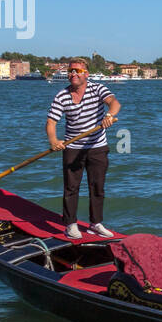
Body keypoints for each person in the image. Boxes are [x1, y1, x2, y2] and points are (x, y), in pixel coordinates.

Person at [46, 59, 122, 239]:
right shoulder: (62, 96)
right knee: (71, 188)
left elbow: (114, 103)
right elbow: (51, 122)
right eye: (71, 71)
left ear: (86, 74)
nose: (73, 74)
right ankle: (70, 225)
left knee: (97, 187)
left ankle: (95, 224)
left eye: (77, 71)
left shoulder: (97, 89)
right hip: (73, 147)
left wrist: (109, 115)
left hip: (97, 146)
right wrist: (53, 140)